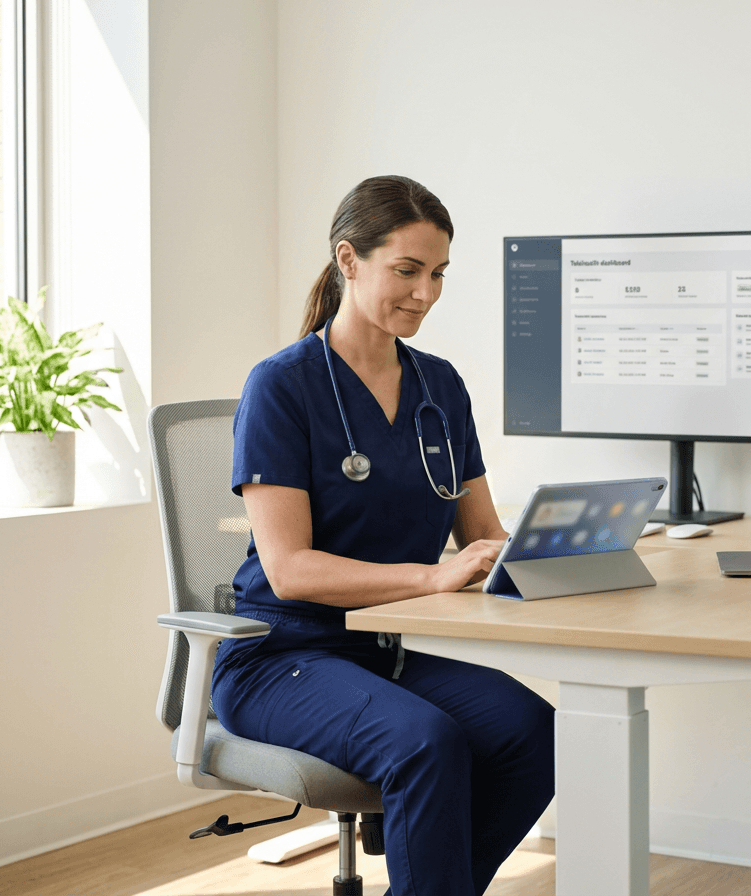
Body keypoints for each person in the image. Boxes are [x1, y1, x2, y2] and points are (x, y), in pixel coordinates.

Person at [211, 175, 555, 896]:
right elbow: (290, 570)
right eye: (407, 270)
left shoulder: (440, 387)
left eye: (438, 274)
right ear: (349, 259)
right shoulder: (281, 386)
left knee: (535, 733)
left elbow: (482, 533)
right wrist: (431, 577)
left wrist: (551, 547)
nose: (425, 293)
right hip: (280, 657)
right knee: (426, 742)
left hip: (384, 652)